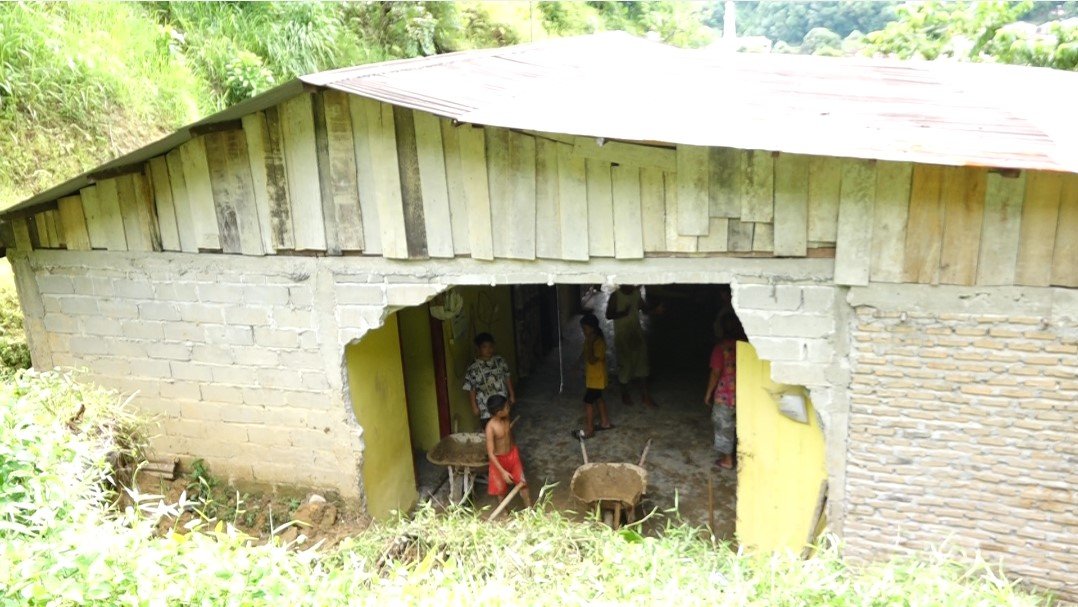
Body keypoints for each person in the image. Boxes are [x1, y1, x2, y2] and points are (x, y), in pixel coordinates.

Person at [605, 285, 662, 408]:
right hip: (623, 336)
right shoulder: (615, 296)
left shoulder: (636, 294)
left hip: (636, 334)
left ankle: (645, 396)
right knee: (625, 366)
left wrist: (655, 311)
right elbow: (608, 315)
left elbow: (644, 309)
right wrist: (622, 313)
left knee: (642, 364)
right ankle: (625, 394)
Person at [705, 314, 745, 470]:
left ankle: (727, 460)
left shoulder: (720, 348)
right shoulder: (746, 346)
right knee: (741, 425)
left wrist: (708, 394)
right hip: (745, 393)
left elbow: (715, 372)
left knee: (723, 426)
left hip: (725, 395)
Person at [485, 394, 531, 507]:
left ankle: (530, 510)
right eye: (506, 407)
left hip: (512, 456)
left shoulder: (506, 418)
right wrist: (503, 472)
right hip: (498, 461)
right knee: (500, 491)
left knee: (523, 484)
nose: (508, 408)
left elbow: (507, 436)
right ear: (498, 412)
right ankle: (505, 515)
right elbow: (490, 453)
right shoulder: (490, 427)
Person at [462, 332, 515, 429]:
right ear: (478, 348)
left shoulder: (500, 361)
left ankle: (505, 444)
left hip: (501, 403)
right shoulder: (473, 368)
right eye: (484, 347)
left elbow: (507, 377)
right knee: (489, 430)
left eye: (490, 346)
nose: (488, 349)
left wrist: (512, 395)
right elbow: (471, 388)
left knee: (504, 429)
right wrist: (474, 406)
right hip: (485, 406)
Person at [574, 313, 613, 439]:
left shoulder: (598, 343)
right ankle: (605, 422)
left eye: (585, 329)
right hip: (592, 379)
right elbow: (584, 353)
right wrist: (577, 363)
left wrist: (590, 344)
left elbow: (591, 360)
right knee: (599, 398)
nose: (583, 331)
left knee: (588, 401)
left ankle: (590, 429)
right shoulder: (589, 340)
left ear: (592, 328)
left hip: (597, 379)